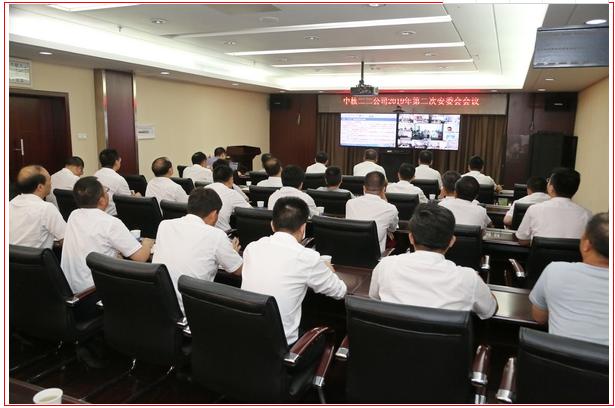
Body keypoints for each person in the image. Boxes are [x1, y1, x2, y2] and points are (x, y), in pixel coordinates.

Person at [241, 197, 347, 344]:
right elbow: (340, 292)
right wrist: (330, 270)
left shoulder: (252, 248)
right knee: (323, 340)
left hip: (247, 335)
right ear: (303, 228)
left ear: (272, 225)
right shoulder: (306, 257)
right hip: (282, 346)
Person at [369, 203, 497, 319]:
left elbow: (374, 299)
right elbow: (490, 310)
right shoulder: (469, 279)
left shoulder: (386, 266)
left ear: (411, 238)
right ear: (452, 241)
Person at [153, 188, 243, 310]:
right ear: (214, 214)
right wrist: (232, 253)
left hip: (159, 305)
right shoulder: (216, 235)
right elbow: (238, 270)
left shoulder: (165, 225)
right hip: (191, 310)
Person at [61, 177, 154, 294]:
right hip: (94, 291)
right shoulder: (110, 222)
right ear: (102, 201)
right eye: (105, 190)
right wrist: (147, 243)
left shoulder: (74, 215)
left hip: (71, 287)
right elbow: (141, 258)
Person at [529, 213, 608, 345]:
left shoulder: (555, 271)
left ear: (586, 244)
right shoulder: (585, 213)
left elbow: (539, 318)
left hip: (558, 357)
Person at [515, 168, 592, 245]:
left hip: (541, 253)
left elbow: (522, 240)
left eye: (548, 181)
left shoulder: (534, 209)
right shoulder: (587, 215)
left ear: (551, 188)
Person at [9, 165, 66, 249]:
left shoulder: (9, 204)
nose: (51, 183)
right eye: (49, 180)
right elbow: (67, 240)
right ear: (40, 187)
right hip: (36, 257)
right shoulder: (46, 208)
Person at [346, 171, 399, 253]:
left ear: (364, 188)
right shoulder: (390, 209)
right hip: (375, 257)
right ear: (384, 189)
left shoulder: (350, 203)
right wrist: (385, 201)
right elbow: (393, 229)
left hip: (350, 252)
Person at [204, 164, 250, 231]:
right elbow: (251, 212)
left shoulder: (204, 189)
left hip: (203, 231)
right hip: (224, 233)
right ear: (231, 179)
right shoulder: (232, 193)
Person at [93, 148, 136, 216]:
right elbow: (128, 203)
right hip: (113, 216)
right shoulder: (119, 179)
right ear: (116, 162)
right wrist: (136, 197)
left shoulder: (95, 175)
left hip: (97, 214)